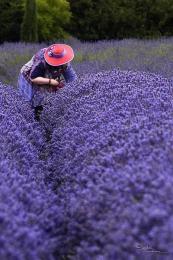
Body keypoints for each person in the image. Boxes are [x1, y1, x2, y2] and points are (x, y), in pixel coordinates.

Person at [18, 43, 77, 121]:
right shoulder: (42, 60)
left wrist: (75, 95)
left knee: (44, 100)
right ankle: (25, 122)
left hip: (45, 77)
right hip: (28, 78)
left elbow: (72, 79)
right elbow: (34, 77)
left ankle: (39, 119)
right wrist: (51, 81)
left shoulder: (65, 62)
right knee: (26, 103)